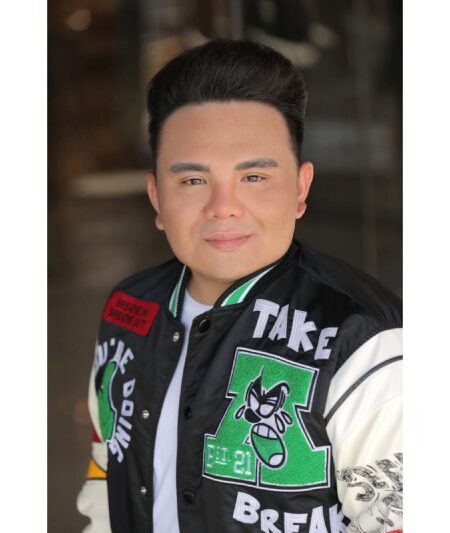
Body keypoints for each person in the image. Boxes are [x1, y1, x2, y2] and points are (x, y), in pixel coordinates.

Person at [77, 39, 402, 533]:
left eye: (253, 177)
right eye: (193, 181)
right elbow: (107, 465)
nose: (223, 207)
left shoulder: (364, 339)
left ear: (300, 189)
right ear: (156, 197)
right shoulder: (129, 308)